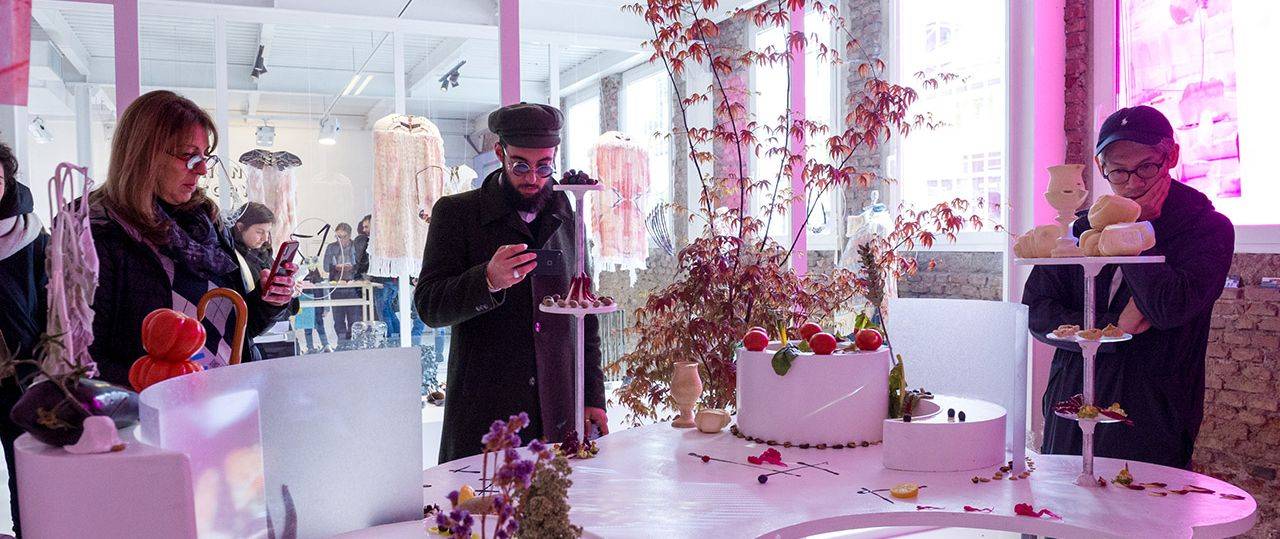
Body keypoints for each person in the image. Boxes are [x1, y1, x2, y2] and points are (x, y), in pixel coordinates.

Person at [1023, 105, 1234, 469]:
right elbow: (1036, 311)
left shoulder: (1206, 228)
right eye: (1119, 171)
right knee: (1062, 501)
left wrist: (1136, 231)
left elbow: (1166, 308)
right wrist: (1114, 326)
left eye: (1146, 167)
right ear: (1100, 166)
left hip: (1151, 411)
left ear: (1171, 157)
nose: (1133, 183)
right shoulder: (1082, 228)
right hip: (1071, 399)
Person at [416, 102, 608, 462]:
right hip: (487, 413)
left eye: (544, 166)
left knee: (558, 498)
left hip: (558, 412)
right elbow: (429, 306)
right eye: (520, 165)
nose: (533, 177)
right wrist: (487, 280)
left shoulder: (568, 215)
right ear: (500, 153)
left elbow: (586, 318)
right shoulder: (456, 214)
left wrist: (593, 397)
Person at [87, 90, 298, 384]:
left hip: (228, 394)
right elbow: (84, 360)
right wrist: (160, 383)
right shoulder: (99, 232)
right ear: (143, 154)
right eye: (189, 156)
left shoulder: (206, 222)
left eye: (204, 157)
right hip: (155, 407)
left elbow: (236, 331)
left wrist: (268, 301)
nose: (201, 170)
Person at [0, 142, 48, 537]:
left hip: (21, 371)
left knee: (25, 465)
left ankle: (26, 531)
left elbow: (49, 300)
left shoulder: (29, 234)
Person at [322, 222, 361, 341]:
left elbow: (362, 266)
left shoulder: (356, 247)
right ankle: (342, 343)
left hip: (354, 288)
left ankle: (353, 343)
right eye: (338, 237)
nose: (340, 240)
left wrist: (353, 267)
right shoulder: (331, 247)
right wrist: (336, 267)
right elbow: (325, 267)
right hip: (337, 287)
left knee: (354, 319)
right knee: (338, 320)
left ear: (349, 236)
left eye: (343, 237)